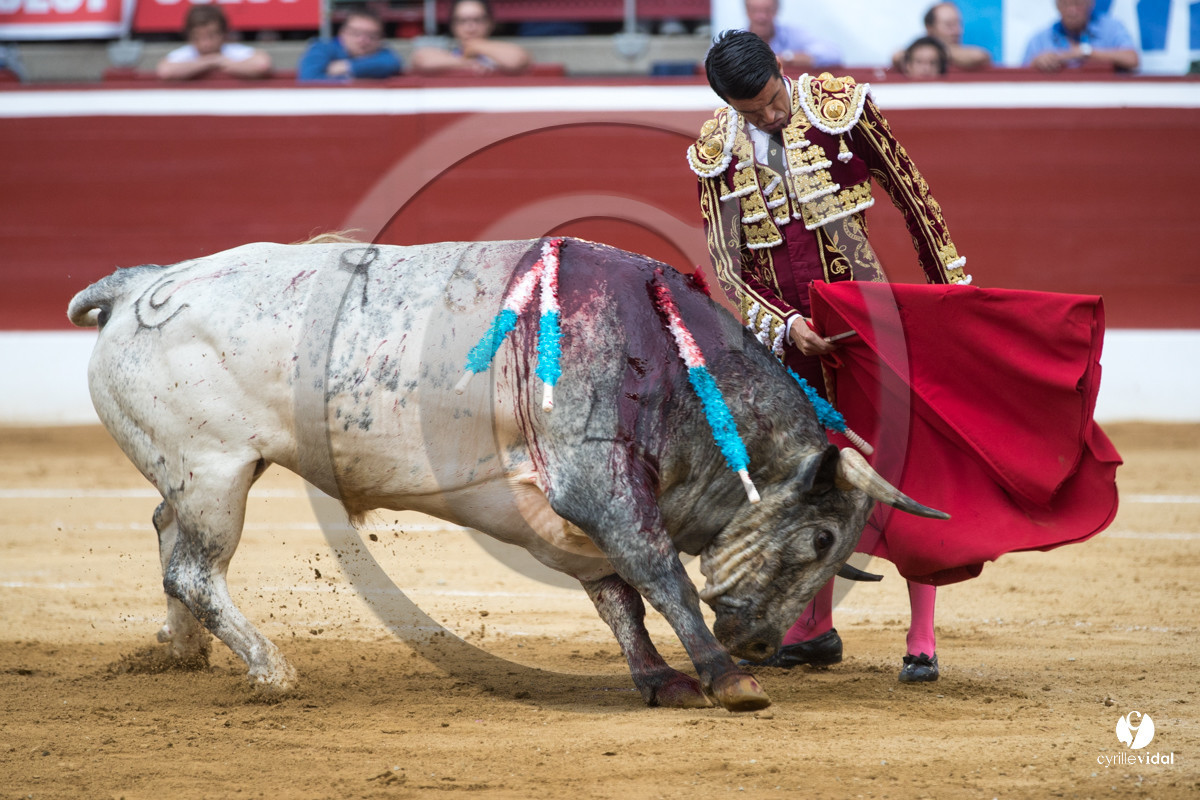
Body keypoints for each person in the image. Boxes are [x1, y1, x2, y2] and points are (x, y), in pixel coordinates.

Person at [688, 30, 973, 682]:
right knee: (806, 483)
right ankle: (814, 628)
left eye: (772, 100)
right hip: (790, 346)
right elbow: (728, 266)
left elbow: (914, 197)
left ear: (779, 70)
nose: (769, 116)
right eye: (752, 111)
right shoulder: (714, 152)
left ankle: (922, 637)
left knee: (901, 466)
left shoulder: (840, 108)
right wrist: (786, 325)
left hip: (866, 328)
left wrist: (951, 298)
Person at [410, 0, 531, 76]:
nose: (470, 27)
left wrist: (476, 46)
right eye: (462, 20)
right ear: (453, 26)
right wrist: (467, 63)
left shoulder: (501, 55)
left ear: (490, 23)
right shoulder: (449, 56)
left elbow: (518, 60)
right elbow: (421, 60)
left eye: (477, 20)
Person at [155, 5, 272, 81]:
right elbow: (165, 71)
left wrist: (218, 61)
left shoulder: (233, 50)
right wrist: (211, 61)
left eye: (211, 36)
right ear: (190, 36)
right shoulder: (185, 53)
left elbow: (262, 65)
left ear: (223, 34)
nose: (206, 44)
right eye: (198, 37)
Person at [1023, 0, 1139, 73]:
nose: (1072, 11)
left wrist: (1087, 52)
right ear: (1057, 6)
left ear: (1091, 4)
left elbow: (1132, 59)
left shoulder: (1110, 28)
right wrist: (1037, 63)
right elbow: (1021, 78)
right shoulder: (1040, 39)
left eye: (1077, 3)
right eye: (1065, 4)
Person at [297, 9, 403, 82]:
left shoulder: (383, 52)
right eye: (356, 33)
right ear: (342, 33)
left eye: (372, 36)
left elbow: (391, 63)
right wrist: (352, 79)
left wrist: (348, 66)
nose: (363, 40)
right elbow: (309, 79)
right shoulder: (322, 48)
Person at [892, 3, 990, 73]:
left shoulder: (968, 54)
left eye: (958, 24)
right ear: (930, 28)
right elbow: (897, 56)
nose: (957, 31)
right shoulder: (913, 51)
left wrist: (938, 50)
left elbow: (979, 57)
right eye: (949, 25)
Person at [742, 0, 841, 69]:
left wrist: (787, 58)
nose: (761, 17)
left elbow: (832, 53)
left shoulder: (792, 34)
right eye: (755, 10)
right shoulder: (737, 40)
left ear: (776, 10)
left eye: (767, 10)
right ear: (746, 11)